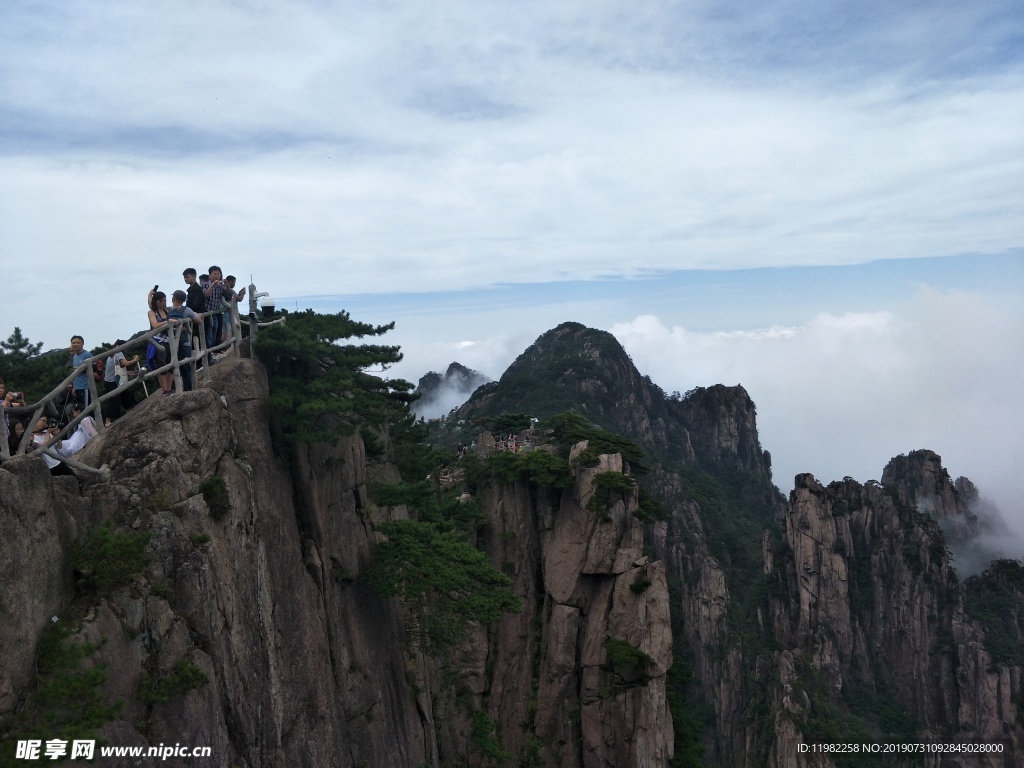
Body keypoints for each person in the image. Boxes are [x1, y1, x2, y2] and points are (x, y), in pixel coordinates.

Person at [167, 290, 201, 391]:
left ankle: (172, 390)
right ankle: (188, 390)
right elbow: (199, 321)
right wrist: (195, 314)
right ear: (184, 300)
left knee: (171, 367)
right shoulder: (187, 310)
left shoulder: (166, 310)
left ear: (173, 298)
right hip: (184, 342)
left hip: (169, 342)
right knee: (186, 368)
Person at [103, 341, 139, 424]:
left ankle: (127, 414)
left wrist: (127, 372)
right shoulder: (118, 351)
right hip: (113, 382)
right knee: (114, 401)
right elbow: (124, 363)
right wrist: (135, 360)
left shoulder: (112, 354)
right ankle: (109, 420)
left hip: (112, 381)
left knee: (126, 396)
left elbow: (118, 368)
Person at [147, 290, 174, 396]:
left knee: (171, 366)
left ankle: (169, 387)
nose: (163, 302)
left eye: (164, 300)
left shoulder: (168, 311)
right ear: (156, 302)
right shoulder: (152, 312)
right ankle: (165, 390)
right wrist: (168, 322)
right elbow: (155, 325)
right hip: (158, 342)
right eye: (160, 301)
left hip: (169, 341)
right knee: (161, 366)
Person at [201, 266, 228, 351]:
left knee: (217, 334)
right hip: (208, 314)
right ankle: (209, 353)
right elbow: (205, 295)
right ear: (209, 276)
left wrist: (228, 287)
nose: (217, 275)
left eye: (218, 274)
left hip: (217, 313)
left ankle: (214, 352)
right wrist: (212, 286)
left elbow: (228, 295)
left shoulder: (221, 285)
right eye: (214, 274)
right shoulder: (204, 285)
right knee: (209, 335)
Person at [69, 335, 91, 409]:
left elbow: (94, 368)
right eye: (73, 343)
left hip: (85, 386)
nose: (75, 344)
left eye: (78, 342)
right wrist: (74, 386)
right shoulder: (75, 356)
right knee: (80, 410)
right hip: (77, 387)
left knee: (86, 409)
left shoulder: (87, 354)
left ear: (82, 344)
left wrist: (79, 369)